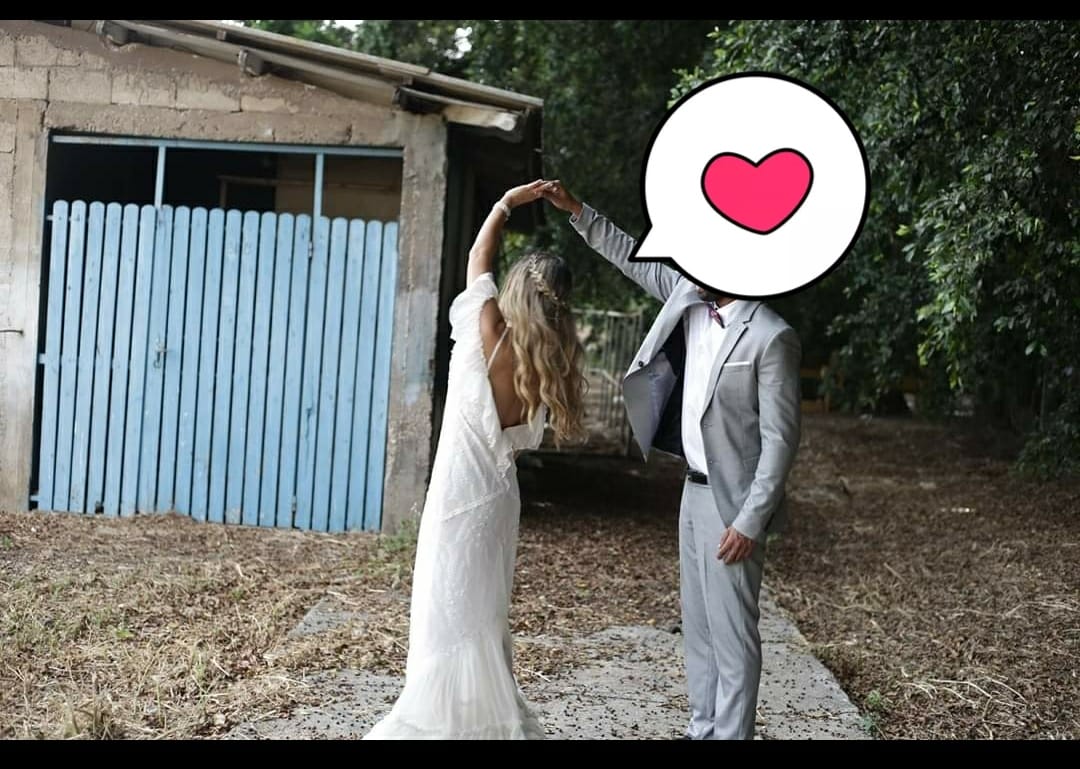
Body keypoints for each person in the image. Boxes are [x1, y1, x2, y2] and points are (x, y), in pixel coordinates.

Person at [542, 182, 802, 740]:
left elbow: (781, 441)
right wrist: (578, 212)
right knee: (699, 627)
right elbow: (633, 257)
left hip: (733, 505)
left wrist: (750, 521)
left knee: (733, 633)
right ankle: (702, 728)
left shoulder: (772, 336)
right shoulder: (689, 298)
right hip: (691, 491)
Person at [364, 180, 587, 740]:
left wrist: (506, 203)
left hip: (458, 493)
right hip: (497, 502)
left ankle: (437, 723)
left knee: (443, 613)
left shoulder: (486, 330)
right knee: (483, 619)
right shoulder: (549, 363)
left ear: (517, 290)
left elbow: (477, 259)